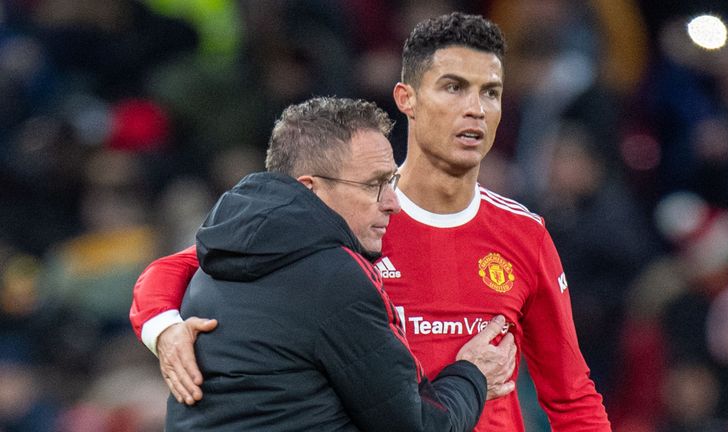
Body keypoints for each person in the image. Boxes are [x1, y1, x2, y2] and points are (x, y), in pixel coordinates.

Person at [130, 12, 611, 431]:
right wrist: (165, 329)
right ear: (406, 98)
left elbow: (571, 396)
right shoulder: (353, 215)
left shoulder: (523, 234)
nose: (475, 109)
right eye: (453, 87)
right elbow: (178, 268)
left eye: (491, 92)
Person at [161, 96, 517, 431]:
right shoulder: (333, 276)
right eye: (374, 184)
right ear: (310, 188)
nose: (393, 202)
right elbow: (417, 425)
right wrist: (473, 373)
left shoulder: (218, 253)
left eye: (391, 180)